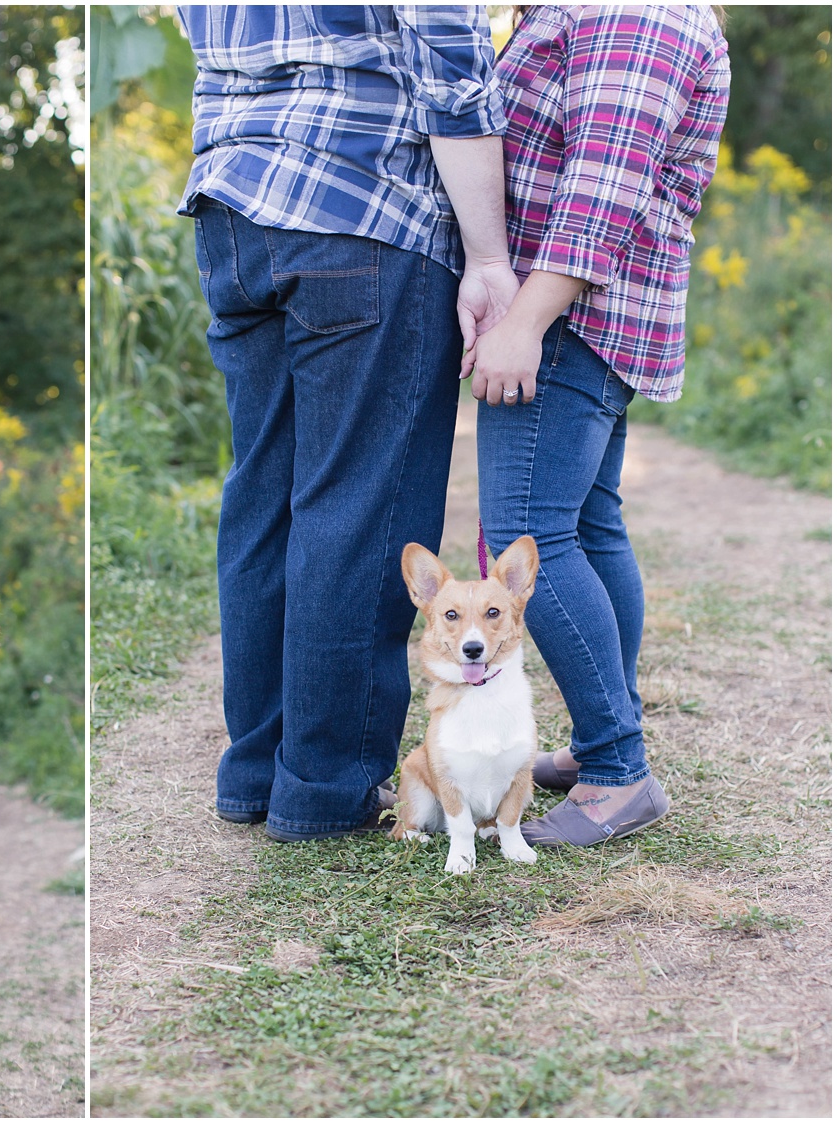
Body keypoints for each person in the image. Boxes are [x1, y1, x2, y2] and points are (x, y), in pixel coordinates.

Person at [177, 6, 519, 841]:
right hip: (363, 206)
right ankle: (324, 786)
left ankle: (257, 769)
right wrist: (487, 257)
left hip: (232, 208)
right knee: (358, 505)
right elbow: (450, 58)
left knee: (264, 494)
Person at [469, 6, 730, 846]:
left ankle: (620, 769)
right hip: (589, 314)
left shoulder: (637, 7)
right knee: (584, 523)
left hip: (572, 317)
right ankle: (600, 744)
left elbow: (603, 185)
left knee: (525, 529)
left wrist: (522, 323)